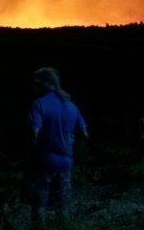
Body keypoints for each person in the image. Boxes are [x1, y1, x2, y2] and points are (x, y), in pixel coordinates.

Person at [22, 67, 89, 230]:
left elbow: (33, 133)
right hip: (65, 163)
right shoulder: (71, 106)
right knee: (63, 206)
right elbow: (84, 135)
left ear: (40, 84)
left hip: (42, 163)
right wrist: (76, 155)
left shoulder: (38, 104)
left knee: (39, 205)